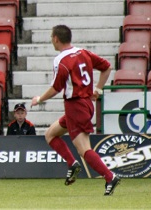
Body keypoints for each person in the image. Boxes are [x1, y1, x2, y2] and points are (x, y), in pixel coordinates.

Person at [30, 25, 119, 196]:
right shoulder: (83, 52)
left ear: (56, 38)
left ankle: (110, 177)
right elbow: (107, 67)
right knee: (50, 134)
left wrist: (39, 99)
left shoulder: (62, 60)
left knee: (84, 149)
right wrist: (98, 90)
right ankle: (72, 163)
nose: (51, 40)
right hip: (85, 104)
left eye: (51, 37)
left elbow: (56, 88)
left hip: (75, 105)